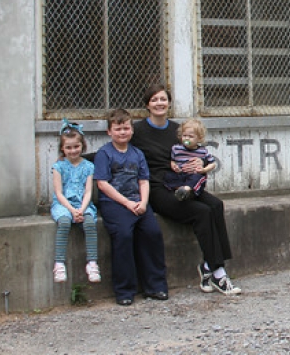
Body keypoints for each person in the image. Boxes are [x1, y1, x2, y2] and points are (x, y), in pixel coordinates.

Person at [131, 84, 241, 296]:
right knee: (201, 212)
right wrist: (78, 158)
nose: (159, 103)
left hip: (181, 182)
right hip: (157, 187)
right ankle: (218, 272)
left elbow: (195, 151)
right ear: (147, 105)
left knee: (216, 205)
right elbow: (114, 149)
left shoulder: (177, 131)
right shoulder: (138, 132)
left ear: (169, 103)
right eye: (154, 100)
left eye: (163, 99)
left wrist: (200, 164)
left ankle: (209, 266)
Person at [94, 108, 169, 306]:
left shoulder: (137, 154)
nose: (122, 132)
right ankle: (125, 290)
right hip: (114, 204)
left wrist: (143, 203)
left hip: (138, 202)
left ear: (132, 130)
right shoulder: (104, 154)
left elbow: (144, 181)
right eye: (118, 129)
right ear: (109, 131)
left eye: (126, 128)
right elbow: (102, 184)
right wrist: (127, 203)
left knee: (152, 233)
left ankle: (155, 286)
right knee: (124, 235)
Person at [50, 119, 101, 284]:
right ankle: (59, 263)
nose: (73, 151)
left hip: (83, 204)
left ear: (82, 146)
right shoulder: (58, 167)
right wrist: (72, 211)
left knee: (89, 223)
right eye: (68, 147)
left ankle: (92, 263)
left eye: (76, 146)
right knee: (64, 222)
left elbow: (88, 191)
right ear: (62, 148)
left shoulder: (88, 166)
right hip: (63, 204)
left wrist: (82, 209)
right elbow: (59, 193)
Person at [166, 118, 215, 202]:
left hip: (193, 175)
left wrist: (204, 170)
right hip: (180, 174)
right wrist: (174, 166)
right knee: (168, 176)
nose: (187, 138)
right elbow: (173, 160)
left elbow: (212, 163)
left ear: (199, 138)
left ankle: (186, 189)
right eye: (184, 136)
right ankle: (179, 189)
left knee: (198, 178)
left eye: (191, 136)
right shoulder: (176, 148)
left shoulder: (202, 151)